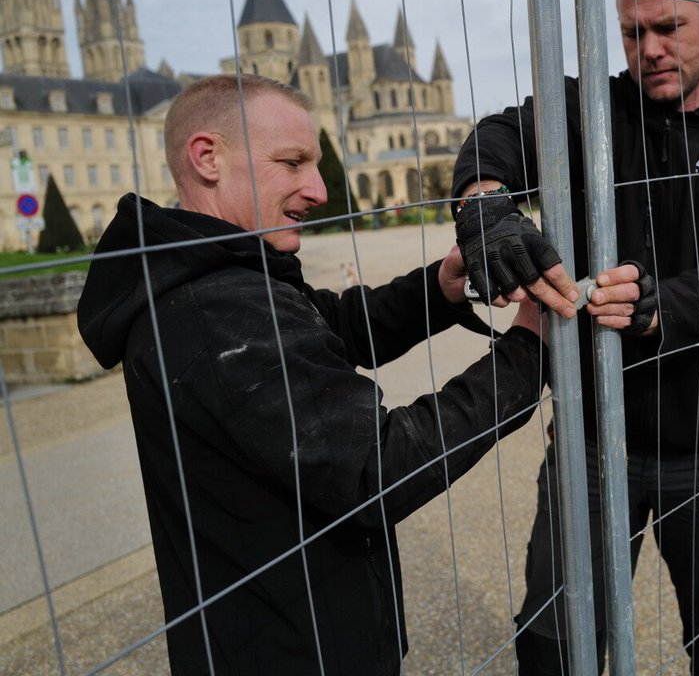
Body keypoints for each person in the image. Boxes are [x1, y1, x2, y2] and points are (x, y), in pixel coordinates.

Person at [77, 74, 552, 675]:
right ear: (208, 158)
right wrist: (530, 350)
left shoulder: (224, 271)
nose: (321, 189)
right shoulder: (213, 311)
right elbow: (379, 467)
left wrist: (437, 288)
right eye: (293, 162)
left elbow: (328, 327)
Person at [451, 0, 699, 674]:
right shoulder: (598, 111)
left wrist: (653, 306)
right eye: (632, 33)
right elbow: (502, 131)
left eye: (669, 27)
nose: (650, 50)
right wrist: (484, 203)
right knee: (556, 637)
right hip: (591, 442)